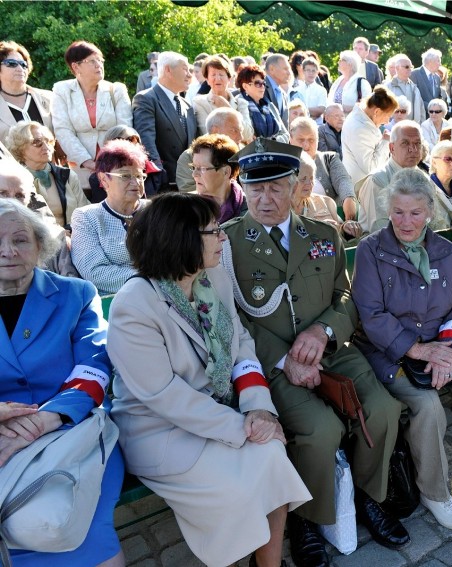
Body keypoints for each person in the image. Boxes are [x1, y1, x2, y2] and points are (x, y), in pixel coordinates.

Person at [219, 139, 408, 565]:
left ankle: (366, 496)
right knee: (320, 431)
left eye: (276, 188)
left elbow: (344, 295)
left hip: (332, 351)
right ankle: (305, 518)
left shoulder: (322, 234)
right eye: (255, 189)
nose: (265, 199)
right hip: (274, 362)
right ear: (243, 189)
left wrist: (323, 332)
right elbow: (232, 321)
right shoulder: (228, 245)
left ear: (295, 187)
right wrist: (286, 360)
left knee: (382, 409)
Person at [108, 193, 311, 567]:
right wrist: (242, 426)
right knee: (234, 490)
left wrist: (259, 410)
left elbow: (241, 342)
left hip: (221, 412)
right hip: (160, 430)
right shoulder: (134, 305)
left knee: (274, 458)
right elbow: (163, 396)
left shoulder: (212, 275)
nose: (224, 238)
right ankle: (231, 556)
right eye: (214, 231)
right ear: (180, 239)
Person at [351, 168, 452, 529]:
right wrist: (417, 350)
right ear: (389, 210)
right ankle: (435, 492)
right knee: (428, 406)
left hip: (442, 350)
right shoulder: (371, 250)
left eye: (416, 212)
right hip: (389, 352)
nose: (407, 221)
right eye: (399, 212)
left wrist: (448, 350)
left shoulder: (445, 251)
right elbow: (371, 315)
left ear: (429, 213)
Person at [0, 198, 124, 567]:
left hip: (71, 433)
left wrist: (47, 418)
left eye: (20, 240)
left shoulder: (75, 294)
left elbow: (96, 365)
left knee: (81, 523)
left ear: (40, 245)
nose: (7, 251)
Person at [71, 140, 148, 295]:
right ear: (104, 180)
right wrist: (151, 280)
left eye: (139, 175)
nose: (136, 182)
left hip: (165, 297)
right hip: (116, 302)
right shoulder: (87, 217)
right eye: (126, 176)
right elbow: (94, 272)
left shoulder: (156, 210)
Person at [53, 41, 132, 191]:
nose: (99, 65)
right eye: (92, 61)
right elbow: (63, 130)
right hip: (79, 169)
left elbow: (125, 129)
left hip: (115, 168)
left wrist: (110, 163)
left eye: (100, 60)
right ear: (76, 67)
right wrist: (87, 161)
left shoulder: (116, 90)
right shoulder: (62, 90)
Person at [132, 51, 197, 192]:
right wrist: (158, 172)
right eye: (185, 69)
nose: (190, 75)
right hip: (163, 183)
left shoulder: (187, 105)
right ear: (168, 70)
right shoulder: (146, 99)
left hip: (189, 182)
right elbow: (146, 140)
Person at [6, 121, 88, 227]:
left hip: (75, 235)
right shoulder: (13, 182)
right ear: (21, 149)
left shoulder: (67, 175)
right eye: (37, 142)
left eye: (48, 141)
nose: (46, 147)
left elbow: (84, 212)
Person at [357, 120, 423, 233]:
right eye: (405, 143)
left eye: (417, 143)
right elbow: (380, 228)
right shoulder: (377, 180)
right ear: (392, 148)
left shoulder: (424, 179)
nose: (413, 149)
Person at [289, 116, 357, 221]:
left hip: (328, 219)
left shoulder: (329, 158)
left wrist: (348, 198)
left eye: (311, 140)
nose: (306, 145)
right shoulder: (284, 164)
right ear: (291, 140)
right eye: (301, 140)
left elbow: (342, 179)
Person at [292, 150, 361, 239]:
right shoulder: (279, 210)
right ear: (289, 181)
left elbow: (341, 235)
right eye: (303, 179)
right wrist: (317, 230)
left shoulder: (326, 202)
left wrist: (345, 229)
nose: (309, 183)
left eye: (312, 178)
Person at [341, 85, 398, 186]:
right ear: (377, 111)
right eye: (388, 116)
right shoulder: (359, 128)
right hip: (362, 191)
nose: (387, 121)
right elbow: (371, 168)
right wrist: (385, 142)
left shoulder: (362, 119)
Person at [0, 41, 53, 144]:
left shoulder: (50, 98)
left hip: (49, 160)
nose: (20, 69)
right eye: (12, 64)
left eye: (23, 64)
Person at [187, 134, 246, 223]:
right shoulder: (187, 208)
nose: (194, 174)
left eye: (202, 168)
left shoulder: (251, 210)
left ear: (226, 172)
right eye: (194, 167)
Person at [191, 55, 252, 141]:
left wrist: (228, 108)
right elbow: (209, 135)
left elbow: (247, 135)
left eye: (221, 74)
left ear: (229, 78)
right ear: (207, 80)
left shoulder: (241, 103)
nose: (217, 78)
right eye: (213, 75)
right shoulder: (200, 103)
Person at [238, 65, 286, 140]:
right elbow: (244, 137)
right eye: (257, 83)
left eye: (263, 83)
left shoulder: (268, 105)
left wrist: (272, 142)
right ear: (245, 86)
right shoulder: (238, 105)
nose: (262, 86)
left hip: (274, 150)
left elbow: (285, 134)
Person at [383, 54, 425, 124]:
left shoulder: (414, 88)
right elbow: (382, 109)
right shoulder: (387, 87)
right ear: (397, 68)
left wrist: (421, 128)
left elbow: (421, 110)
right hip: (393, 129)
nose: (410, 69)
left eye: (411, 67)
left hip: (412, 129)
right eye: (407, 67)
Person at [328, 50, 370, 116]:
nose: (338, 62)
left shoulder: (362, 83)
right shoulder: (338, 80)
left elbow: (367, 105)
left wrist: (345, 108)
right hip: (334, 122)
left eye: (341, 60)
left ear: (350, 64)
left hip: (353, 122)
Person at [410, 48, 445, 117]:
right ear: (430, 62)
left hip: (434, 117)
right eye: (438, 61)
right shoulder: (414, 74)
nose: (440, 64)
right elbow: (413, 97)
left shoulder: (437, 77)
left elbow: (438, 97)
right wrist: (430, 107)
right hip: (420, 116)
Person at [293, 57, 327, 124]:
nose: (311, 73)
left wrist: (302, 111)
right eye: (308, 70)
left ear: (317, 72)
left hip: (316, 126)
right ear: (303, 71)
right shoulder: (296, 90)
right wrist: (311, 111)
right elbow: (293, 110)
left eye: (313, 70)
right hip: (298, 125)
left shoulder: (321, 90)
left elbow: (320, 110)